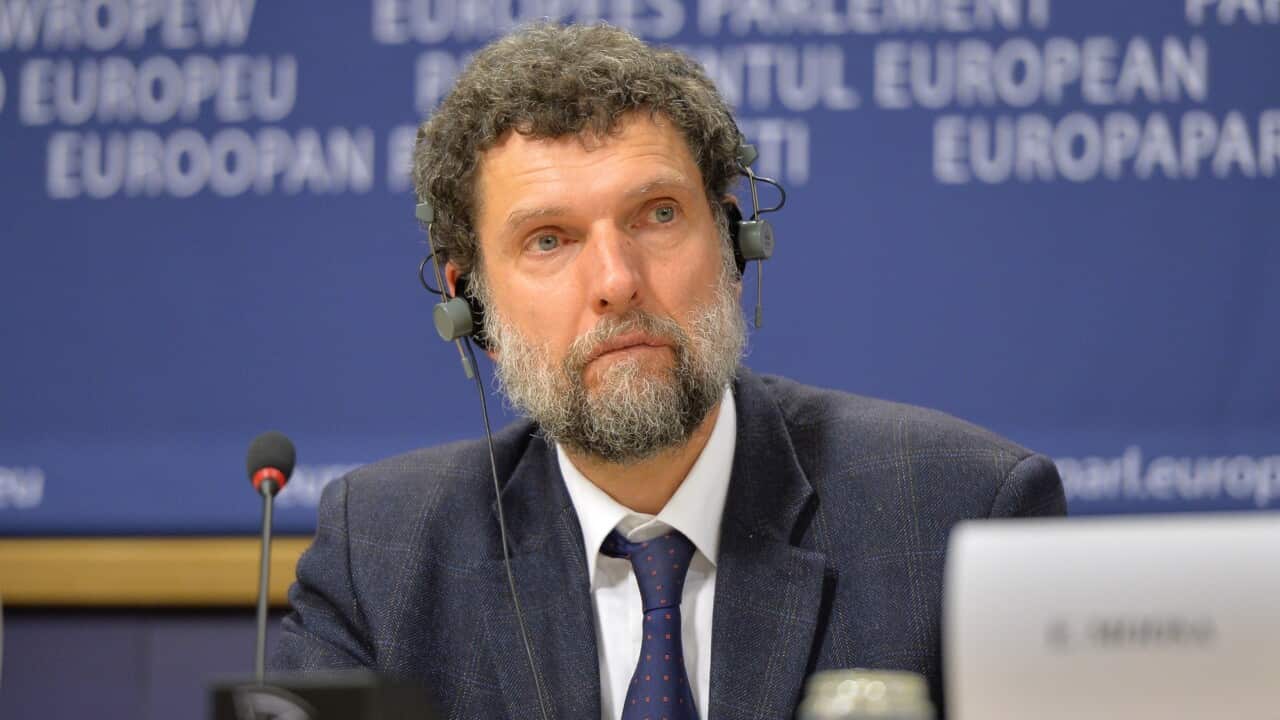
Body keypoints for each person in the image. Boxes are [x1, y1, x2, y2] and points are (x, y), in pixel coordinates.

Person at [272, 22, 1066, 719]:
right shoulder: (382, 557)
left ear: (731, 245)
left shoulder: (960, 517)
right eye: (549, 239)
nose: (616, 280)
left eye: (657, 215)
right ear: (470, 303)